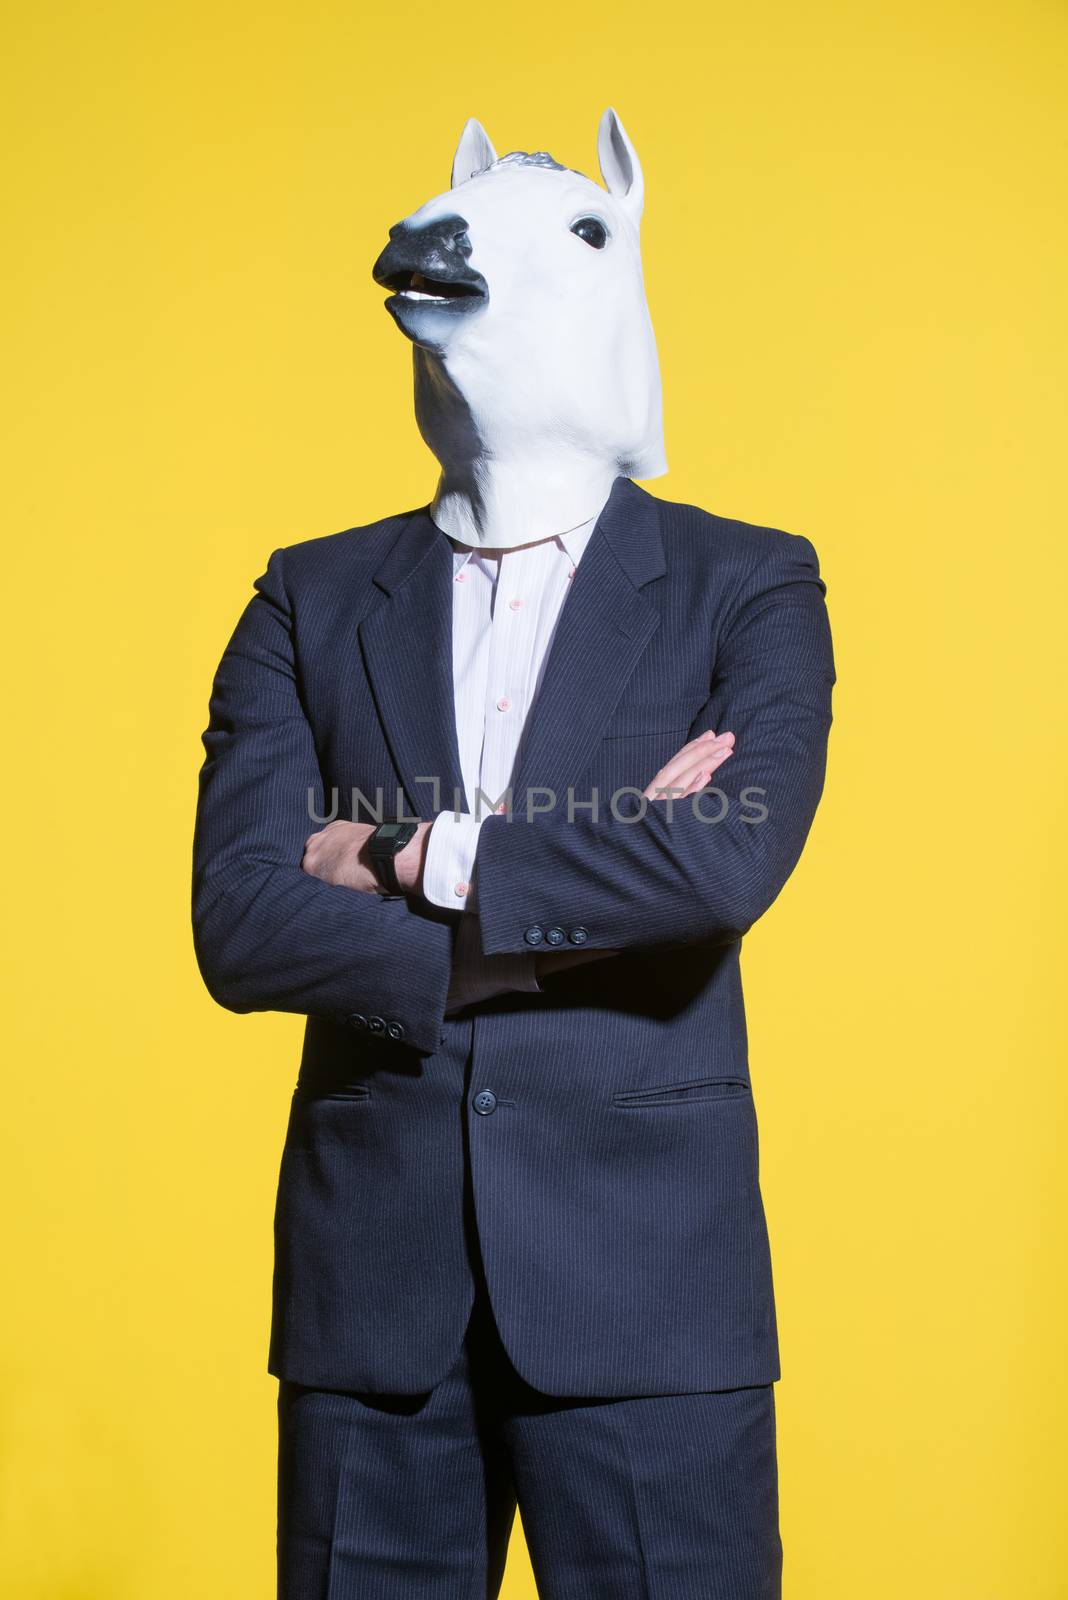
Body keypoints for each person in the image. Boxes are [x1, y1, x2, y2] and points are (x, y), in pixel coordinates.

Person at [192, 109, 835, 1599]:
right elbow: (240, 920)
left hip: (651, 1302)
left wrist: (415, 856)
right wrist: (594, 888)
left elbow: (722, 865)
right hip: (374, 1310)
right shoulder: (308, 596)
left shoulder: (749, 586)